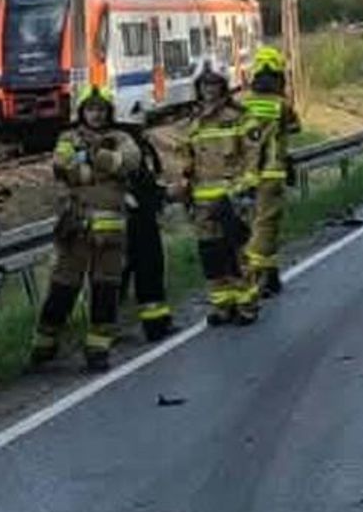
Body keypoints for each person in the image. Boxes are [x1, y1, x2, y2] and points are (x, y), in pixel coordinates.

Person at [33, 86, 142, 371]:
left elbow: (128, 164)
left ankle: (98, 350)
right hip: (76, 228)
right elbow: (61, 166)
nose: (96, 115)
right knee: (63, 288)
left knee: (105, 290)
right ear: (82, 111)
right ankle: (43, 347)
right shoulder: (68, 138)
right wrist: (101, 165)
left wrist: (91, 158)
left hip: (111, 233)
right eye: (91, 109)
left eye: (101, 109)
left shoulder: (123, 138)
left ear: (109, 112)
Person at [183, 65, 259, 325]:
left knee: (236, 254)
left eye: (214, 84)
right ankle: (222, 306)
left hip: (231, 199)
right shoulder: (193, 121)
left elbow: (252, 154)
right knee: (211, 257)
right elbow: (187, 158)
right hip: (202, 202)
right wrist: (184, 186)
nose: (209, 90)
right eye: (204, 85)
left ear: (222, 88)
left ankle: (246, 305)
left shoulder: (239, 117)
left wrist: (245, 187)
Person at [240, 46, 302, 299]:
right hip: (271, 173)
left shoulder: (243, 103)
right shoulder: (281, 105)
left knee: (254, 224)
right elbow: (295, 127)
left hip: (245, 175)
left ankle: (270, 275)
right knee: (267, 227)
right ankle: (254, 275)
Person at [118, 121, 175, 342]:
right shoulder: (118, 145)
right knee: (136, 272)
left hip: (144, 216)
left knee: (150, 269)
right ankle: (151, 324)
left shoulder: (142, 144)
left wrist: (161, 194)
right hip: (129, 219)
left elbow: (149, 179)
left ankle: (157, 323)